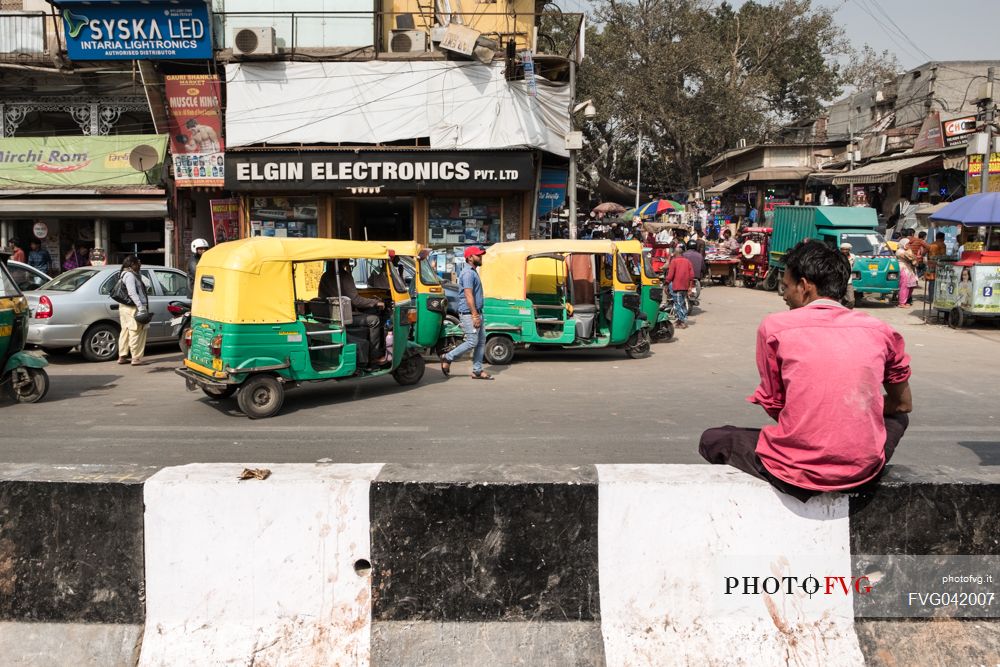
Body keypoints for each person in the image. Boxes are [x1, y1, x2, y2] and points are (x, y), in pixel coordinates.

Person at [698, 240, 911, 502]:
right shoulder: (880, 330)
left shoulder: (775, 327)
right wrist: (855, 409)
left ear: (804, 286)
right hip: (862, 469)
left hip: (797, 469)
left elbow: (777, 405)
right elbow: (902, 405)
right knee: (897, 420)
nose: (783, 295)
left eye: (786, 287)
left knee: (713, 438)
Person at [319, 260, 387, 368]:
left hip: (330, 316)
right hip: (342, 317)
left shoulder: (325, 276)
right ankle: (374, 357)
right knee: (375, 320)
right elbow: (356, 300)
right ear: (344, 262)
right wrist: (375, 302)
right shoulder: (344, 276)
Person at [440, 246, 491, 380]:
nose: (481, 257)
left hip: (476, 312)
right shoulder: (468, 273)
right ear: (470, 258)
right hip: (470, 313)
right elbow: (469, 295)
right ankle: (447, 357)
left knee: (480, 342)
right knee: (472, 342)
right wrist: (474, 315)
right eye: (478, 255)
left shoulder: (473, 271)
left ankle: (477, 371)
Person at [117, 254, 150, 366]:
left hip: (125, 308)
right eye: (137, 263)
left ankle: (122, 356)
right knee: (136, 332)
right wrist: (140, 307)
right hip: (133, 308)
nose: (139, 265)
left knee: (125, 331)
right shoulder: (130, 275)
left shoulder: (126, 274)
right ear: (132, 265)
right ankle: (136, 358)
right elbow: (132, 293)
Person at [663, 245, 694, 329]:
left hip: (677, 286)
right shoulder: (688, 262)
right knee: (682, 303)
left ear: (676, 253)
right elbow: (692, 276)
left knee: (678, 304)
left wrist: (666, 283)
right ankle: (679, 320)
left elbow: (670, 275)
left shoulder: (674, 261)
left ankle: (682, 320)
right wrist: (690, 287)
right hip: (685, 286)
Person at [925, 232, 947, 301]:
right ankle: (938, 298)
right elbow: (943, 256)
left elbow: (927, 254)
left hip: (931, 264)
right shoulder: (942, 244)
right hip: (939, 265)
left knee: (931, 281)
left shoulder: (931, 244)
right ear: (942, 238)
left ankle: (930, 297)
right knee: (941, 281)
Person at [840, 242, 856, 308]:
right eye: (843, 249)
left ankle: (846, 310)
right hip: (839, 280)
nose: (844, 251)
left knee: (851, 300)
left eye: (846, 249)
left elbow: (853, 265)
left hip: (848, 281)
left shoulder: (853, 256)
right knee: (838, 299)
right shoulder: (838, 256)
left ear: (849, 250)